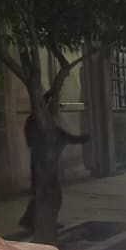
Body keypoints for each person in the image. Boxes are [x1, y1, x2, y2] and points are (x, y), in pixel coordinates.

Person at [18, 93, 90, 232]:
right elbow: (32, 141)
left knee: (46, 195)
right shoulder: (35, 122)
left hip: (48, 164)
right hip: (41, 164)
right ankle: (38, 221)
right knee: (47, 195)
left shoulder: (46, 123)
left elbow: (65, 137)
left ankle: (33, 221)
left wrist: (81, 139)